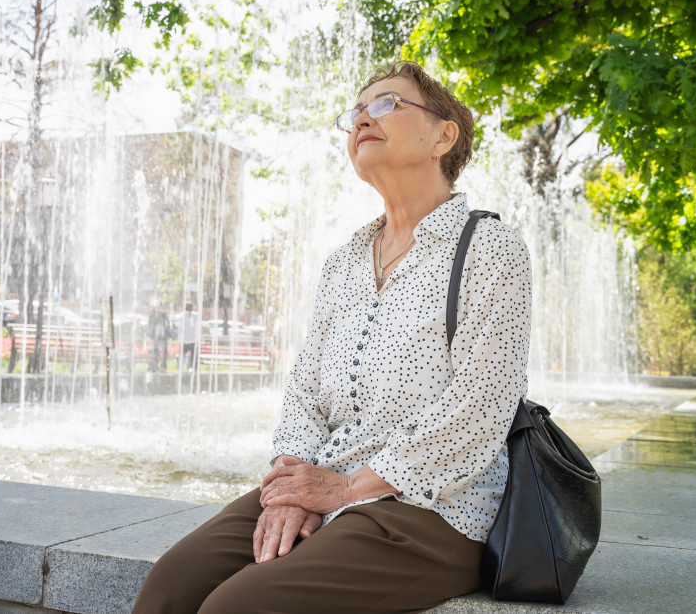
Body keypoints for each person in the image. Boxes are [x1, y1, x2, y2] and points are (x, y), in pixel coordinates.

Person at [133, 60, 532, 613]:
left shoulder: (490, 248)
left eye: (387, 103)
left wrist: (347, 490)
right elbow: (304, 391)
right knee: (170, 586)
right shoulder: (344, 261)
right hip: (326, 480)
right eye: (357, 110)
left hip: (431, 510)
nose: (363, 118)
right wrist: (292, 489)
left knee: (237, 607)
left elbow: (481, 407)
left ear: (444, 136)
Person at [148, 305, 171, 372]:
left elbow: (152, 326)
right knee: (163, 351)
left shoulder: (155, 316)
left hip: (158, 335)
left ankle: (156, 365)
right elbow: (167, 325)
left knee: (157, 350)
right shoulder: (163, 315)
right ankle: (162, 365)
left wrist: (151, 334)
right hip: (162, 335)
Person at [180, 303, 199, 370]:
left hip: (185, 339)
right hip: (193, 338)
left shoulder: (182, 315)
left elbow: (180, 326)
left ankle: (181, 365)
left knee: (183, 353)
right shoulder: (196, 315)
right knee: (194, 354)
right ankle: (194, 367)